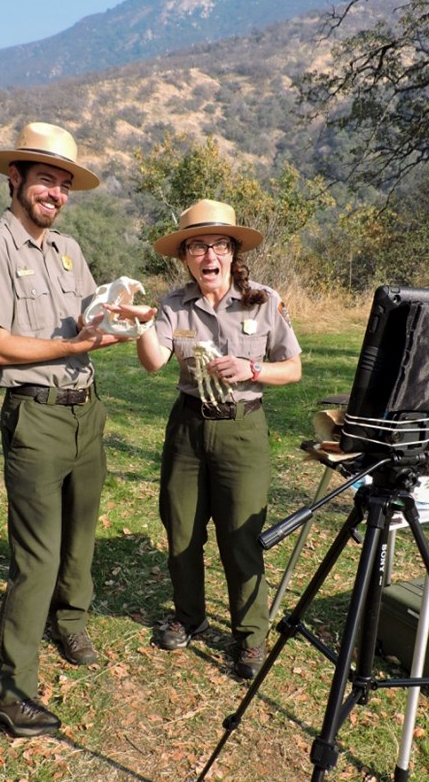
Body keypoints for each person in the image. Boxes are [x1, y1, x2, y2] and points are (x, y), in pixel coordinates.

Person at [0, 121, 125, 738]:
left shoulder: (68, 249)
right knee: (37, 557)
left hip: (87, 409)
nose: (55, 193)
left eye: (64, 184)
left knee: (82, 531)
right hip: (35, 415)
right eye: (45, 180)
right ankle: (10, 692)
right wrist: (78, 342)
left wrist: (115, 325)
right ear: (16, 178)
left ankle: (72, 621)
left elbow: (89, 320)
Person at [113, 199, 302, 679]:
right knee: (182, 531)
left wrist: (252, 368)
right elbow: (154, 362)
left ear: (233, 251)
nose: (208, 255)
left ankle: (251, 637)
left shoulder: (263, 299)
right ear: (185, 257)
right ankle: (189, 616)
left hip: (243, 428)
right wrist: (140, 324)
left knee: (241, 537)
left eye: (218, 244)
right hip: (188, 430)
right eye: (196, 246)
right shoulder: (174, 306)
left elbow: (294, 368)